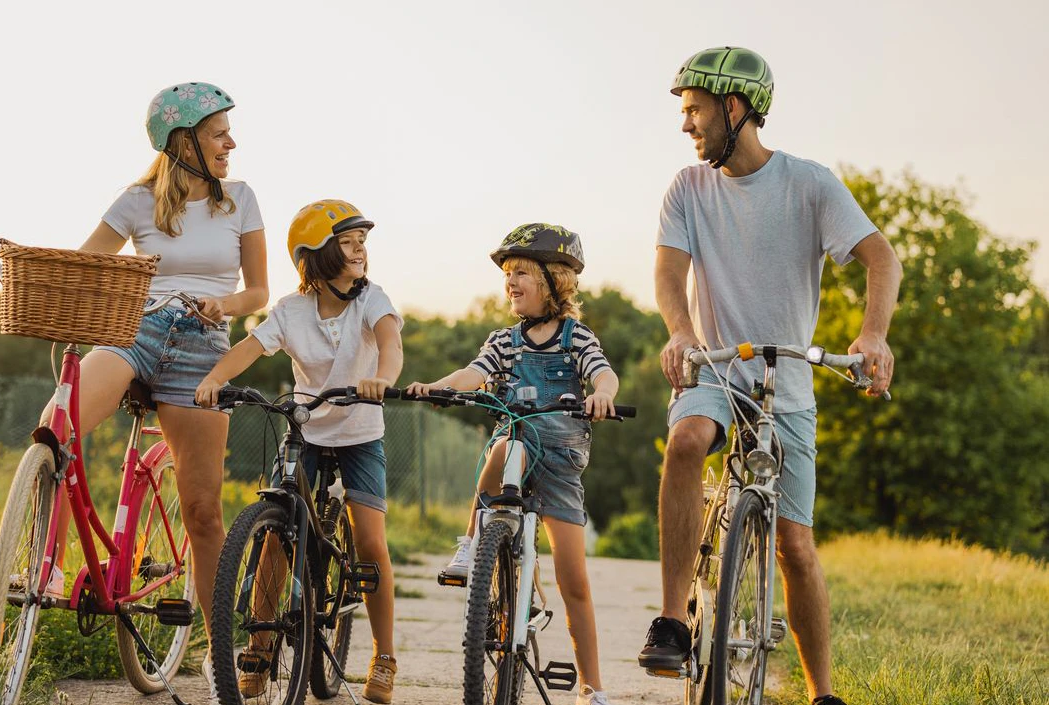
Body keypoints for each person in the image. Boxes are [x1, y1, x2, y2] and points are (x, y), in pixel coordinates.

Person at [637, 47, 902, 705]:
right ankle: (673, 618)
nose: (685, 123)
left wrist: (873, 334)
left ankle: (822, 693)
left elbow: (881, 258)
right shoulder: (688, 189)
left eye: (694, 109)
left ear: (734, 108)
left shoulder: (810, 184)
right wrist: (679, 331)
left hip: (786, 380)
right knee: (688, 441)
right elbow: (670, 273)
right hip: (716, 364)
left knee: (797, 545)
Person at [46, 81, 268, 699]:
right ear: (185, 140)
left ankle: (217, 651)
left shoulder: (240, 200)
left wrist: (222, 303)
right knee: (55, 427)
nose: (232, 142)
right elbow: (86, 264)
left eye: (229, 132)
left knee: (202, 511)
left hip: (201, 348)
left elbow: (258, 294)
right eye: (220, 132)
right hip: (134, 331)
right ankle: (44, 562)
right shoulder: (138, 200)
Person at [195, 199, 403, 703]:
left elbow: (390, 341)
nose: (360, 251)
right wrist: (214, 379)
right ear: (318, 255)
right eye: (349, 243)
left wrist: (382, 379)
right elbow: (250, 346)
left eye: (363, 243)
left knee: (371, 541)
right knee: (275, 540)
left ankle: (384, 654)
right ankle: (260, 648)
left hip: (359, 431)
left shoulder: (371, 299)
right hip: (306, 428)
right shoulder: (291, 310)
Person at [407, 224, 620, 705]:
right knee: (504, 446)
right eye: (507, 275)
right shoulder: (504, 341)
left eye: (521, 272)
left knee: (574, 579)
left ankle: (593, 685)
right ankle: (473, 544)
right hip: (517, 445)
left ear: (553, 280)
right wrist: (438, 386)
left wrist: (603, 395)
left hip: (561, 457)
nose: (511, 283)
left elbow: (603, 372)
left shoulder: (575, 336)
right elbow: (474, 373)